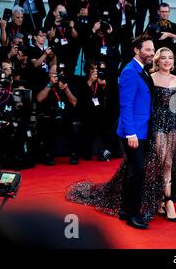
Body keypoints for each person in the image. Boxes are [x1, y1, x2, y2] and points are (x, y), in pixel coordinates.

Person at [66, 35, 154, 230]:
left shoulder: (142, 70)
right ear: (136, 50)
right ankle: (133, 215)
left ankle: (124, 209)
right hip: (134, 132)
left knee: (132, 171)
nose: (152, 53)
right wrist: (131, 133)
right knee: (137, 172)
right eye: (148, 49)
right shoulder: (130, 71)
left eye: (152, 49)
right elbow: (126, 104)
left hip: (142, 129)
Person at [148, 47, 176, 222]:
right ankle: (164, 199)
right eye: (163, 58)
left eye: (170, 58)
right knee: (160, 160)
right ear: (157, 61)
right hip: (157, 123)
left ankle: (166, 199)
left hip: (173, 125)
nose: (167, 61)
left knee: (169, 163)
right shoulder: (151, 78)